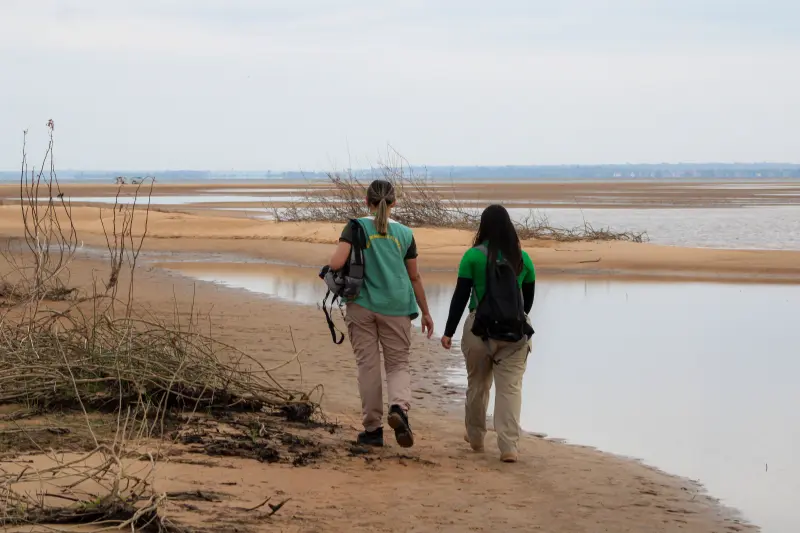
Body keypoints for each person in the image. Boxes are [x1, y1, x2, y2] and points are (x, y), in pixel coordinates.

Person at [327, 179, 434, 448]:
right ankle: (399, 408)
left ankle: (373, 429)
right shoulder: (405, 234)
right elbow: (414, 276)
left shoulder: (355, 227)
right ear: (394, 202)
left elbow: (336, 263)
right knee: (398, 364)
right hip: (397, 306)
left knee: (368, 366)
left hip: (361, 305)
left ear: (367, 201)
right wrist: (426, 312)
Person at [441, 205, 535, 463]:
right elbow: (527, 303)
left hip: (479, 329)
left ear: (482, 227)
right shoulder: (522, 258)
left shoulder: (472, 257)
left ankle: (475, 437)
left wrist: (448, 332)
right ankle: (509, 446)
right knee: (510, 388)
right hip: (515, 333)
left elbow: (460, 297)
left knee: (478, 384)